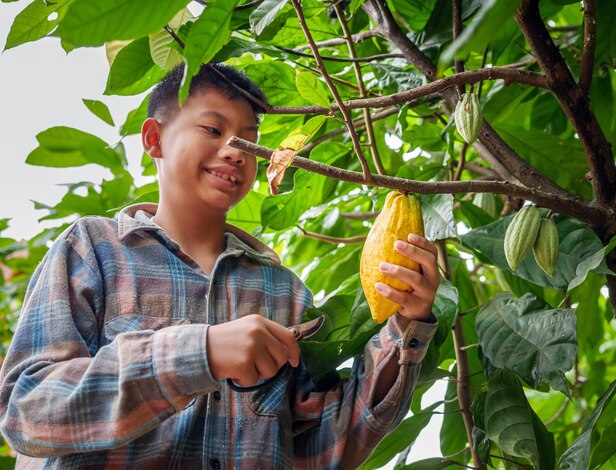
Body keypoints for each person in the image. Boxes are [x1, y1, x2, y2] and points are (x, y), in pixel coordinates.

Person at [0, 62, 440, 469]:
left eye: (249, 140)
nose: (235, 152)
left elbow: (321, 449)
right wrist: (199, 354)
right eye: (213, 129)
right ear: (154, 138)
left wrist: (407, 322)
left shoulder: (283, 292)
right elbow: (25, 411)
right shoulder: (92, 248)